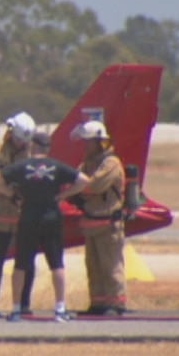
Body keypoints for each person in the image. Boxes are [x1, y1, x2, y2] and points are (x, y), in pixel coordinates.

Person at [0, 132, 89, 323]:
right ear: (48, 148)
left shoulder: (21, 166)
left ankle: (17, 310)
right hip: (52, 217)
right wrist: (63, 195)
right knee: (57, 264)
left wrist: (11, 195)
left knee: (21, 264)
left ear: (33, 147)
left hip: (28, 217)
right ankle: (60, 309)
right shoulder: (57, 166)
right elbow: (84, 181)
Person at [0, 112, 37, 321]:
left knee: (26, 262)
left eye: (25, 141)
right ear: (11, 133)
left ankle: (23, 305)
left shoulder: (33, 157)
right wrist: (8, 192)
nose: (21, 144)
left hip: (26, 217)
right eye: (19, 139)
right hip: (1, 216)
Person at [66, 120, 128, 316]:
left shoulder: (111, 163)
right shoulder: (87, 164)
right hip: (92, 224)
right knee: (94, 267)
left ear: (100, 142)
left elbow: (95, 186)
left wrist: (80, 188)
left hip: (108, 224)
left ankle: (116, 303)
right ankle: (98, 303)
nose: (86, 147)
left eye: (89, 142)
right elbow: (73, 184)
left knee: (111, 267)